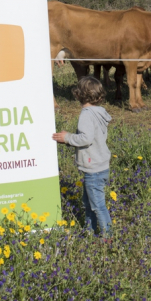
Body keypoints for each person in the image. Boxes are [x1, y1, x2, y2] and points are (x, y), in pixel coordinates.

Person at [52, 76, 114, 237]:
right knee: (89, 203)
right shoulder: (99, 112)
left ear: (78, 94)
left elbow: (85, 138)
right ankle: (90, 231)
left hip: (93, 167)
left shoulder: (86, 114)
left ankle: (108, 237)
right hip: (101, 165)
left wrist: (67, 138)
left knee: (97, 205)